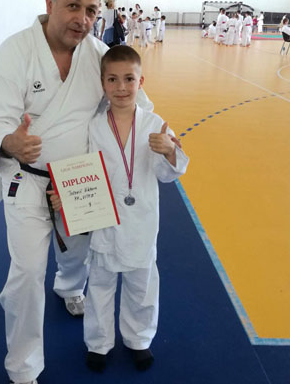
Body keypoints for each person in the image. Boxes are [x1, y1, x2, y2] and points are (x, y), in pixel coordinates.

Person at [0, 0, 153, 384]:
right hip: (27, 177)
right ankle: (23, 368)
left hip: (79, 179)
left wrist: (161, 134)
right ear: (50, 3)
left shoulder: (97, 54)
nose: (82, 18)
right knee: (27, 270)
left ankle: (70, 287)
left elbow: (135, 103)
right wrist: (10, 141)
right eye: (73, 6)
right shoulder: (16, 52)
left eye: (91, 10)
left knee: (77, 253)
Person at [49, 46, 189, 372]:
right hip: (104, 219)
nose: (121, 87)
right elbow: (82, 170)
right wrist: (66, 195)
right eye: (112, 79)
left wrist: (169, 151)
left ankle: (139, 339)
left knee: (142, 285)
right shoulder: (94, 126)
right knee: (99, 285)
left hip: (142, 220)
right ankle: (99, 343)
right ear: (102, 83)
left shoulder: (155, 124)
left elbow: (168, 175)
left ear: (141, 82)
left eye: (129, 79)